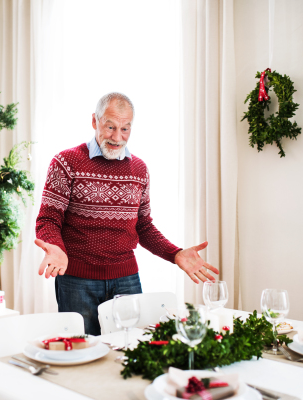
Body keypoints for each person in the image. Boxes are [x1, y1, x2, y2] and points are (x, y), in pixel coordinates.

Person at [35, 92, 219, 335]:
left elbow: (142, 226)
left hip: (126, 279)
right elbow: (48, 219)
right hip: (77, 280)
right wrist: (55, 246)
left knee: (131, 349)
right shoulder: (65, 162)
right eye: (110, 127)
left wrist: (174, 254)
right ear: (94, 121)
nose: (117, 137)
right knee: (83, 352)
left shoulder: (139, 169)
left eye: (125, 129)